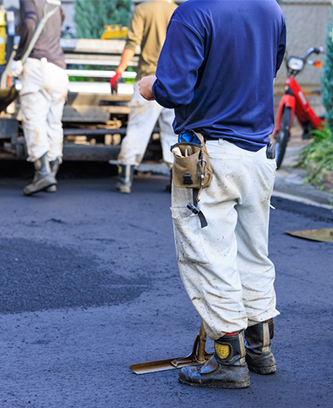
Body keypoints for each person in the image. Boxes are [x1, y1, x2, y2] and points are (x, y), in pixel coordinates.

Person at [138, 0, 286, 389]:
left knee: (208, 256)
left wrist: (150, 86)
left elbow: (174, 88)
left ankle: (228, 360)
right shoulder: (270, 8)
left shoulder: (193, 13)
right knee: (253, 253)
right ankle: (260, 350)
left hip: (208, 157)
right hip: (258, 154)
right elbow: (268, 66)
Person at [110, 0, 178, 194]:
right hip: (173, 82)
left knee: (138, 129)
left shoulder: (142, 10)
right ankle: (176, 181)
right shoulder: (178, 11)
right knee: (172, 132)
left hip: (147, 83)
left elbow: (132, 43)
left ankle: (126, 179)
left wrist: (119, 72)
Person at [11, 0, 68, 196]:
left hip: (37, 67)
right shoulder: (55, 2)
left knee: (33, 120)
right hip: (59, 69)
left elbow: (29, 24)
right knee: (53, 123)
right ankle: (50, 175)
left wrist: (18, 57)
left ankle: (43, 173)